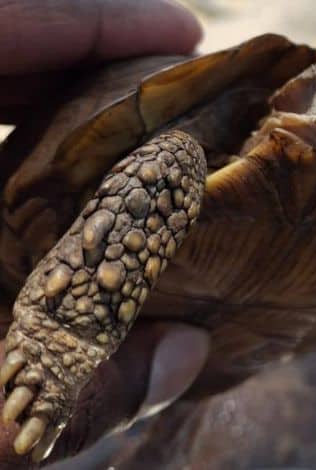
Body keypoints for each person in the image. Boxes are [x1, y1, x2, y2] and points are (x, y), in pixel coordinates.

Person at [0, 1, 210, 466]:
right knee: (170, 161)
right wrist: (61, 339)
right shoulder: (176, 155)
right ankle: (57, 332)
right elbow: (168, 159)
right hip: (58, 265)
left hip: (257, 334)